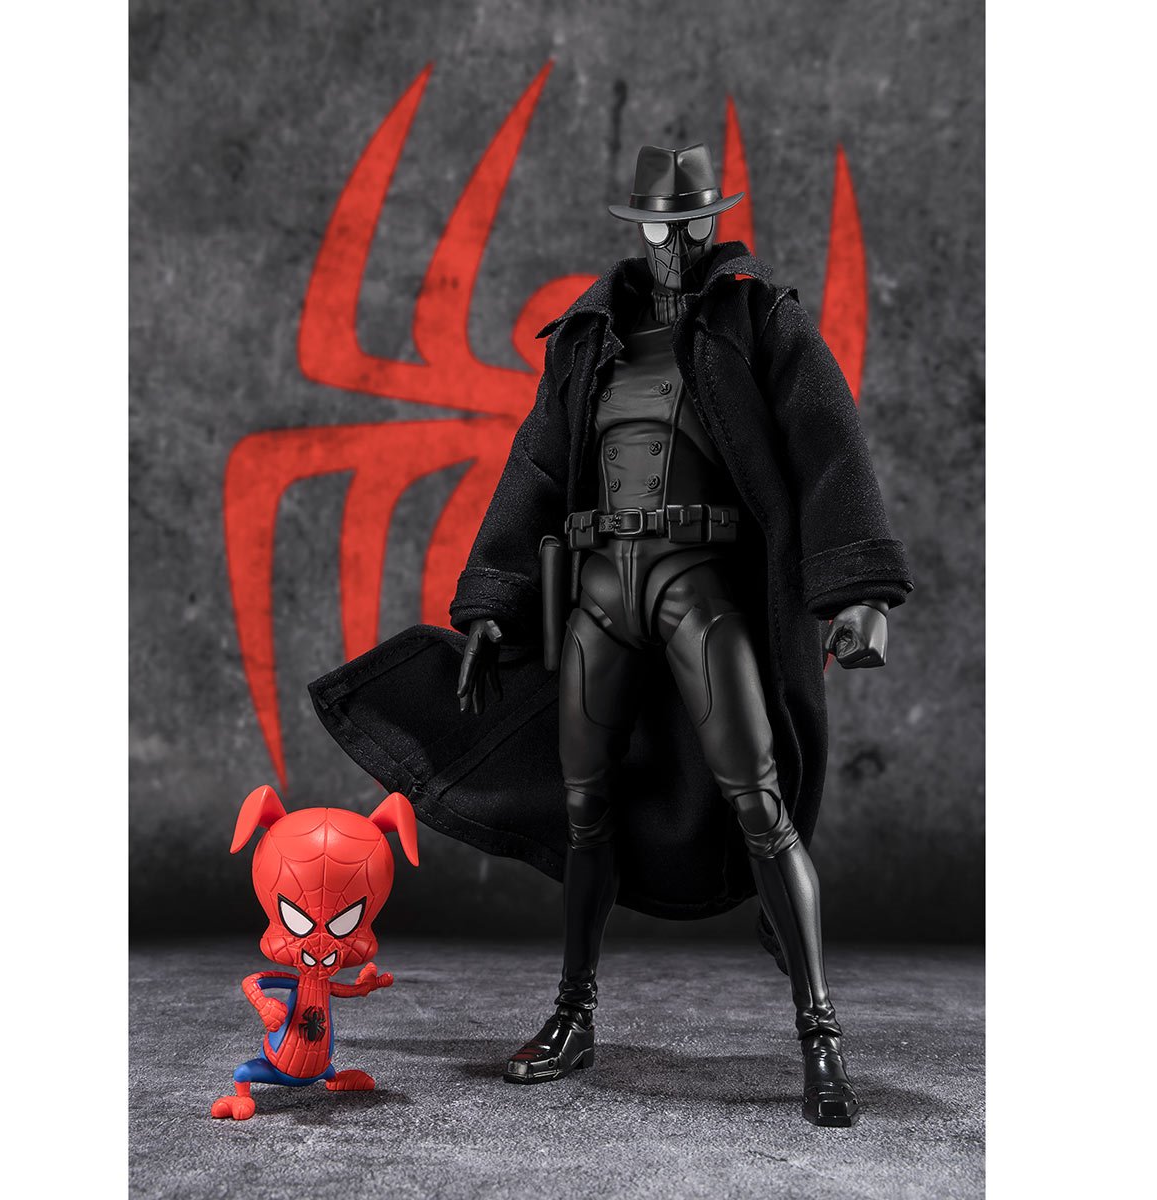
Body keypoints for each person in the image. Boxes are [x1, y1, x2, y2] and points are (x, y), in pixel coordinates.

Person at [312, 142, 911, 1128]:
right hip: (600, 588)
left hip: (697, 581)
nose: (674, 243)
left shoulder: (760, 320)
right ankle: (573, 1016)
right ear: (636, 228)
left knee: (760, 800)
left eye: (690, 224)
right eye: (657, 226)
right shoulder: (589, 336)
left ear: (712, 222)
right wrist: (494, 600)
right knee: (586, 809)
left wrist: (860, 592)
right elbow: (538, 468)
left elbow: (828, 447)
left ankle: (820, 1037)